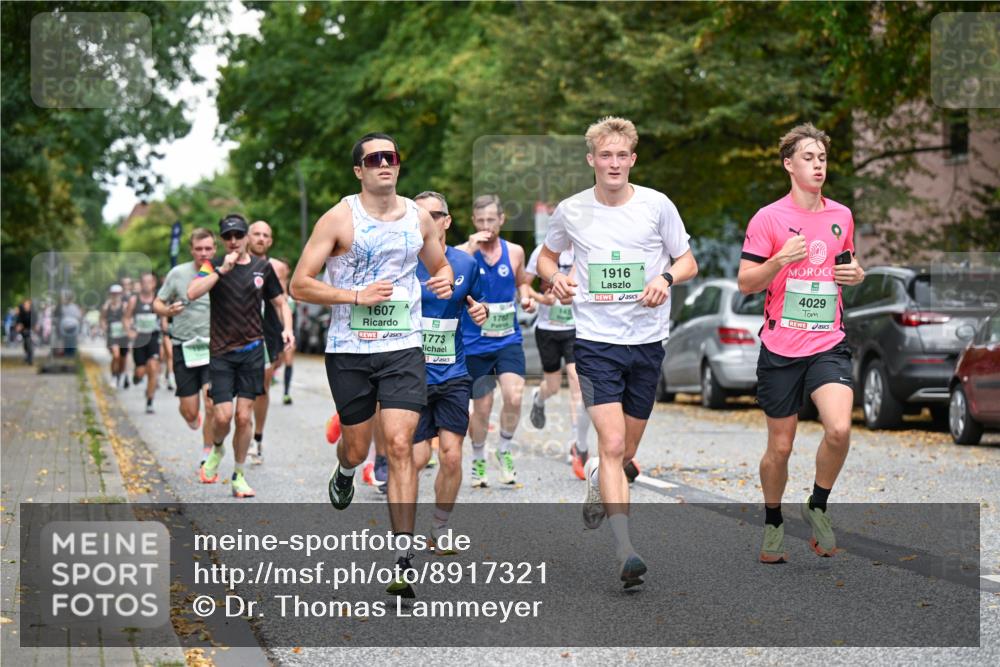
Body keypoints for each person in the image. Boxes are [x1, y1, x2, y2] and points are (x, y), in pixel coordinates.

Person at [290, 132, 453, 598]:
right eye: (374, 158)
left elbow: (440, 266)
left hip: (404, 345)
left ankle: (404, 558)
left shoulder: (420, 218)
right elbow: (301, 284)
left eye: (392, 156)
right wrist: (354, 295)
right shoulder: (340, 218)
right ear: (359, 170)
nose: (385, 163)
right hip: (350, 351)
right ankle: (344, 470)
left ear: (399, 166)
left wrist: (442, 281)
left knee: (401, 445)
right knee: (357, 448)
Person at [538, 116, 698, 588]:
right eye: (604, 155)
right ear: (592, 159)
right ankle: (626, 549)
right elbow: (547, 255)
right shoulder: (570, 210)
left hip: (647, 341)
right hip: (594, 343)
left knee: (625, 454)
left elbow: (687, 259)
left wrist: (664, 278)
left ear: (632, 159)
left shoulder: (656, 206)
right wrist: (556, 276)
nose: (612, 163)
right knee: (610, 445)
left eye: (620, 155)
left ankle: (598, 476)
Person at [736, 123, 864, 564]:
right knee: (781, 448)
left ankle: (817, 504)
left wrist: (856, 273)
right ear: (789, 165)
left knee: (840, 428)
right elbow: (746, 282)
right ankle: (773, 521)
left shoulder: (841, 216)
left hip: (828, 343)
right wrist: (778, 260)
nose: (817, 165)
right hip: (781, 348)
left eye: (822, 158)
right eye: (808, 158)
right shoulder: (768, 219)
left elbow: (848, 263)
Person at [187, 214, 294, 499]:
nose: (233, 241)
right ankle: (218, 446)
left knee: (243, 417)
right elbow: (192, 292)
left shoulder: (263, 268)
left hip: (252, 353)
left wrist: (288, 329)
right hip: (221, 354)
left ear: (246, 236)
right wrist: (221, 271)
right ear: (223, 240)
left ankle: (238, 474)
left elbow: (280, 302)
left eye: (238, 235)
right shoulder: (211, 266)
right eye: (227, 237)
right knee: (222, 418)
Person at [411, 191, 488, 549]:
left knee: (452, 455)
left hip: (453, 371)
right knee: (415, 457)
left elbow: (480, 303)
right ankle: (403, 533)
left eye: (435, 214)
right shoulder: (403, 261)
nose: (427, 220)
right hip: (408, 372)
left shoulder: (466, 264)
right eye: (419, 214)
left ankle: (438, 529)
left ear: (447, 220)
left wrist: (480, 313)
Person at [456, 194, 534, 487]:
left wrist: (526, 297)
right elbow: (449, 270)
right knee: (483, 408)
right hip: (475, 342)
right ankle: (478, 458)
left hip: (507, 338)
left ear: (501, 219)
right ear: (474, 222)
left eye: (492, 219)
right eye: (481, 220)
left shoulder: (514, 251)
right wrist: (470, 247)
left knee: (515, 395)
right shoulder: (463, 253)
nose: (487, 225)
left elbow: (522, 283)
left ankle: (504, 449)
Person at [524, 244, 592, 479]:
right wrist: (538, 298)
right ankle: (539, 397)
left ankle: (575, 441)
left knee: (576, 380)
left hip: (575, 328)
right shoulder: (542, 252)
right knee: (552, 386)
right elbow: (523, 284)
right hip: (547, 329)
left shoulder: (584, 248)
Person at [155, 228, 218, 461]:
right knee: (190, 411)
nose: (203, 253)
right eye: (199, 249)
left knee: (211, 404)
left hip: (213, 347)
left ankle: (207, 453)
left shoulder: (220, 272)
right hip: (184, 346)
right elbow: (157, 303)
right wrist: (167, 310)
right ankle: (193, 418)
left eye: (208, 248)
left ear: (215, 249)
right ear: (191, 249)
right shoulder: (177, 274)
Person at [247, 220, 291, 465]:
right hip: (235, 335)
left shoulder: (271, 269)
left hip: (268, 334)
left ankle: (257, 438)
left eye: (266, 235)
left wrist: (288, 330)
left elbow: (282, 301)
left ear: (270, 241)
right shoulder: (231, 264)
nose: (261, 238)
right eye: (257, 234)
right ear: (247, 237)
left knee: (261, 387)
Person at [126, 272, 162, 413]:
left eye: (150, 282)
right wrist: (129, 331)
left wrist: (166, 331)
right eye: (144, 282)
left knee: (153, 367)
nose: (147, 284)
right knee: (141, 371)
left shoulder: (158, 299)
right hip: (139, 339)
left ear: (153, 284)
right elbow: (126, 318)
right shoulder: (134, 301)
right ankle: (137, 376)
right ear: (140, 284)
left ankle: (149, 401)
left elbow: (163, 316)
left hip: (154, 337)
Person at [99, 286, 129, 386]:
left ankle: (122, 374)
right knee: (116, 355)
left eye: (117, 293)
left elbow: (130, 318)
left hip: (123, 335)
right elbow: (102, 319)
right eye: (113, 294)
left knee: (123, 358)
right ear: (110, 294)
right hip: (112, 334)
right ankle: (114, 376)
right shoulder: (106, 306)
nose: (115, 296)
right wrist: (103, 327)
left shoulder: (125, 306)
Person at [15, 299, 33, 364]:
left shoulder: (32, 312)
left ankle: (30, 359)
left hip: (31, 330)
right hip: (24, 330)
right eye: (25, 304)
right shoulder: (22, 313)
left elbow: (35, 320)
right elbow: (18, 321)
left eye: (27, 304)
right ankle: (27, 357)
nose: (26, 306)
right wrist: (19, 325)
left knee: (29, 344)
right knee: (26, 344)